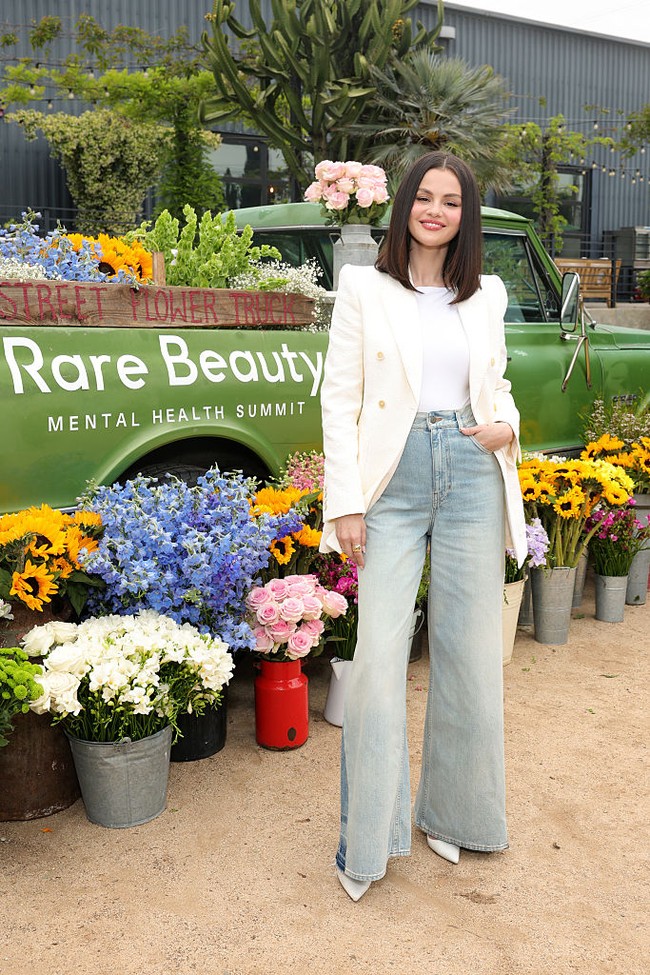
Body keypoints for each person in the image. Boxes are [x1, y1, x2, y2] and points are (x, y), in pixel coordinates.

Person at [319, 151, 527, 902]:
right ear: (404, 203)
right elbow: (339, 398)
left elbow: (494, 383)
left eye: (452, 202)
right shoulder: (363, 288)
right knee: (377, 663)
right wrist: (343, 502)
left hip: (472, 466)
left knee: (470, 654)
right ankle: (367, 840)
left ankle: (458, 814)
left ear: (466, 217)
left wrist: (505, 424)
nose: (436, 210)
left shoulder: (488, 294)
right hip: (391, 481)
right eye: (425, 197)